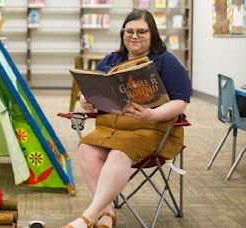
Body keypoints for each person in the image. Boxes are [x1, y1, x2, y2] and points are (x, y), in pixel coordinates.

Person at [63, 9, 191, 228]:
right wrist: (88, 100)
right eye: (129, 31)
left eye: (141, 31)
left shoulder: (165, 62)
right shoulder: (111, 60)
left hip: (150, 129)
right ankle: (107, 213)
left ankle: (89, 216)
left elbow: (181, 101)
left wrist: (152, 114)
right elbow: (96, 90)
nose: (134, 36)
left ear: (152, 34)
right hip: (110, 128)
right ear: (123, 34)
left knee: (120, 152)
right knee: (86, 148)